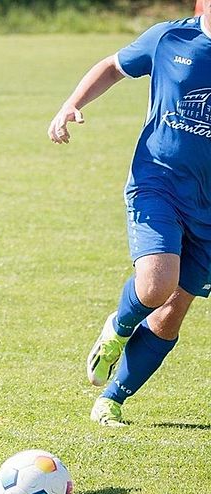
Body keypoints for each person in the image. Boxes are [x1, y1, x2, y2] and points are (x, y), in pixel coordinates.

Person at [48, 3, 211, 427]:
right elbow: (113, 66)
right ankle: (118, 328)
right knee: (156, 284)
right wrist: (71, 104)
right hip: (158, 183)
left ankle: (112, 398)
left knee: (173, 310)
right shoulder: (170, 39)